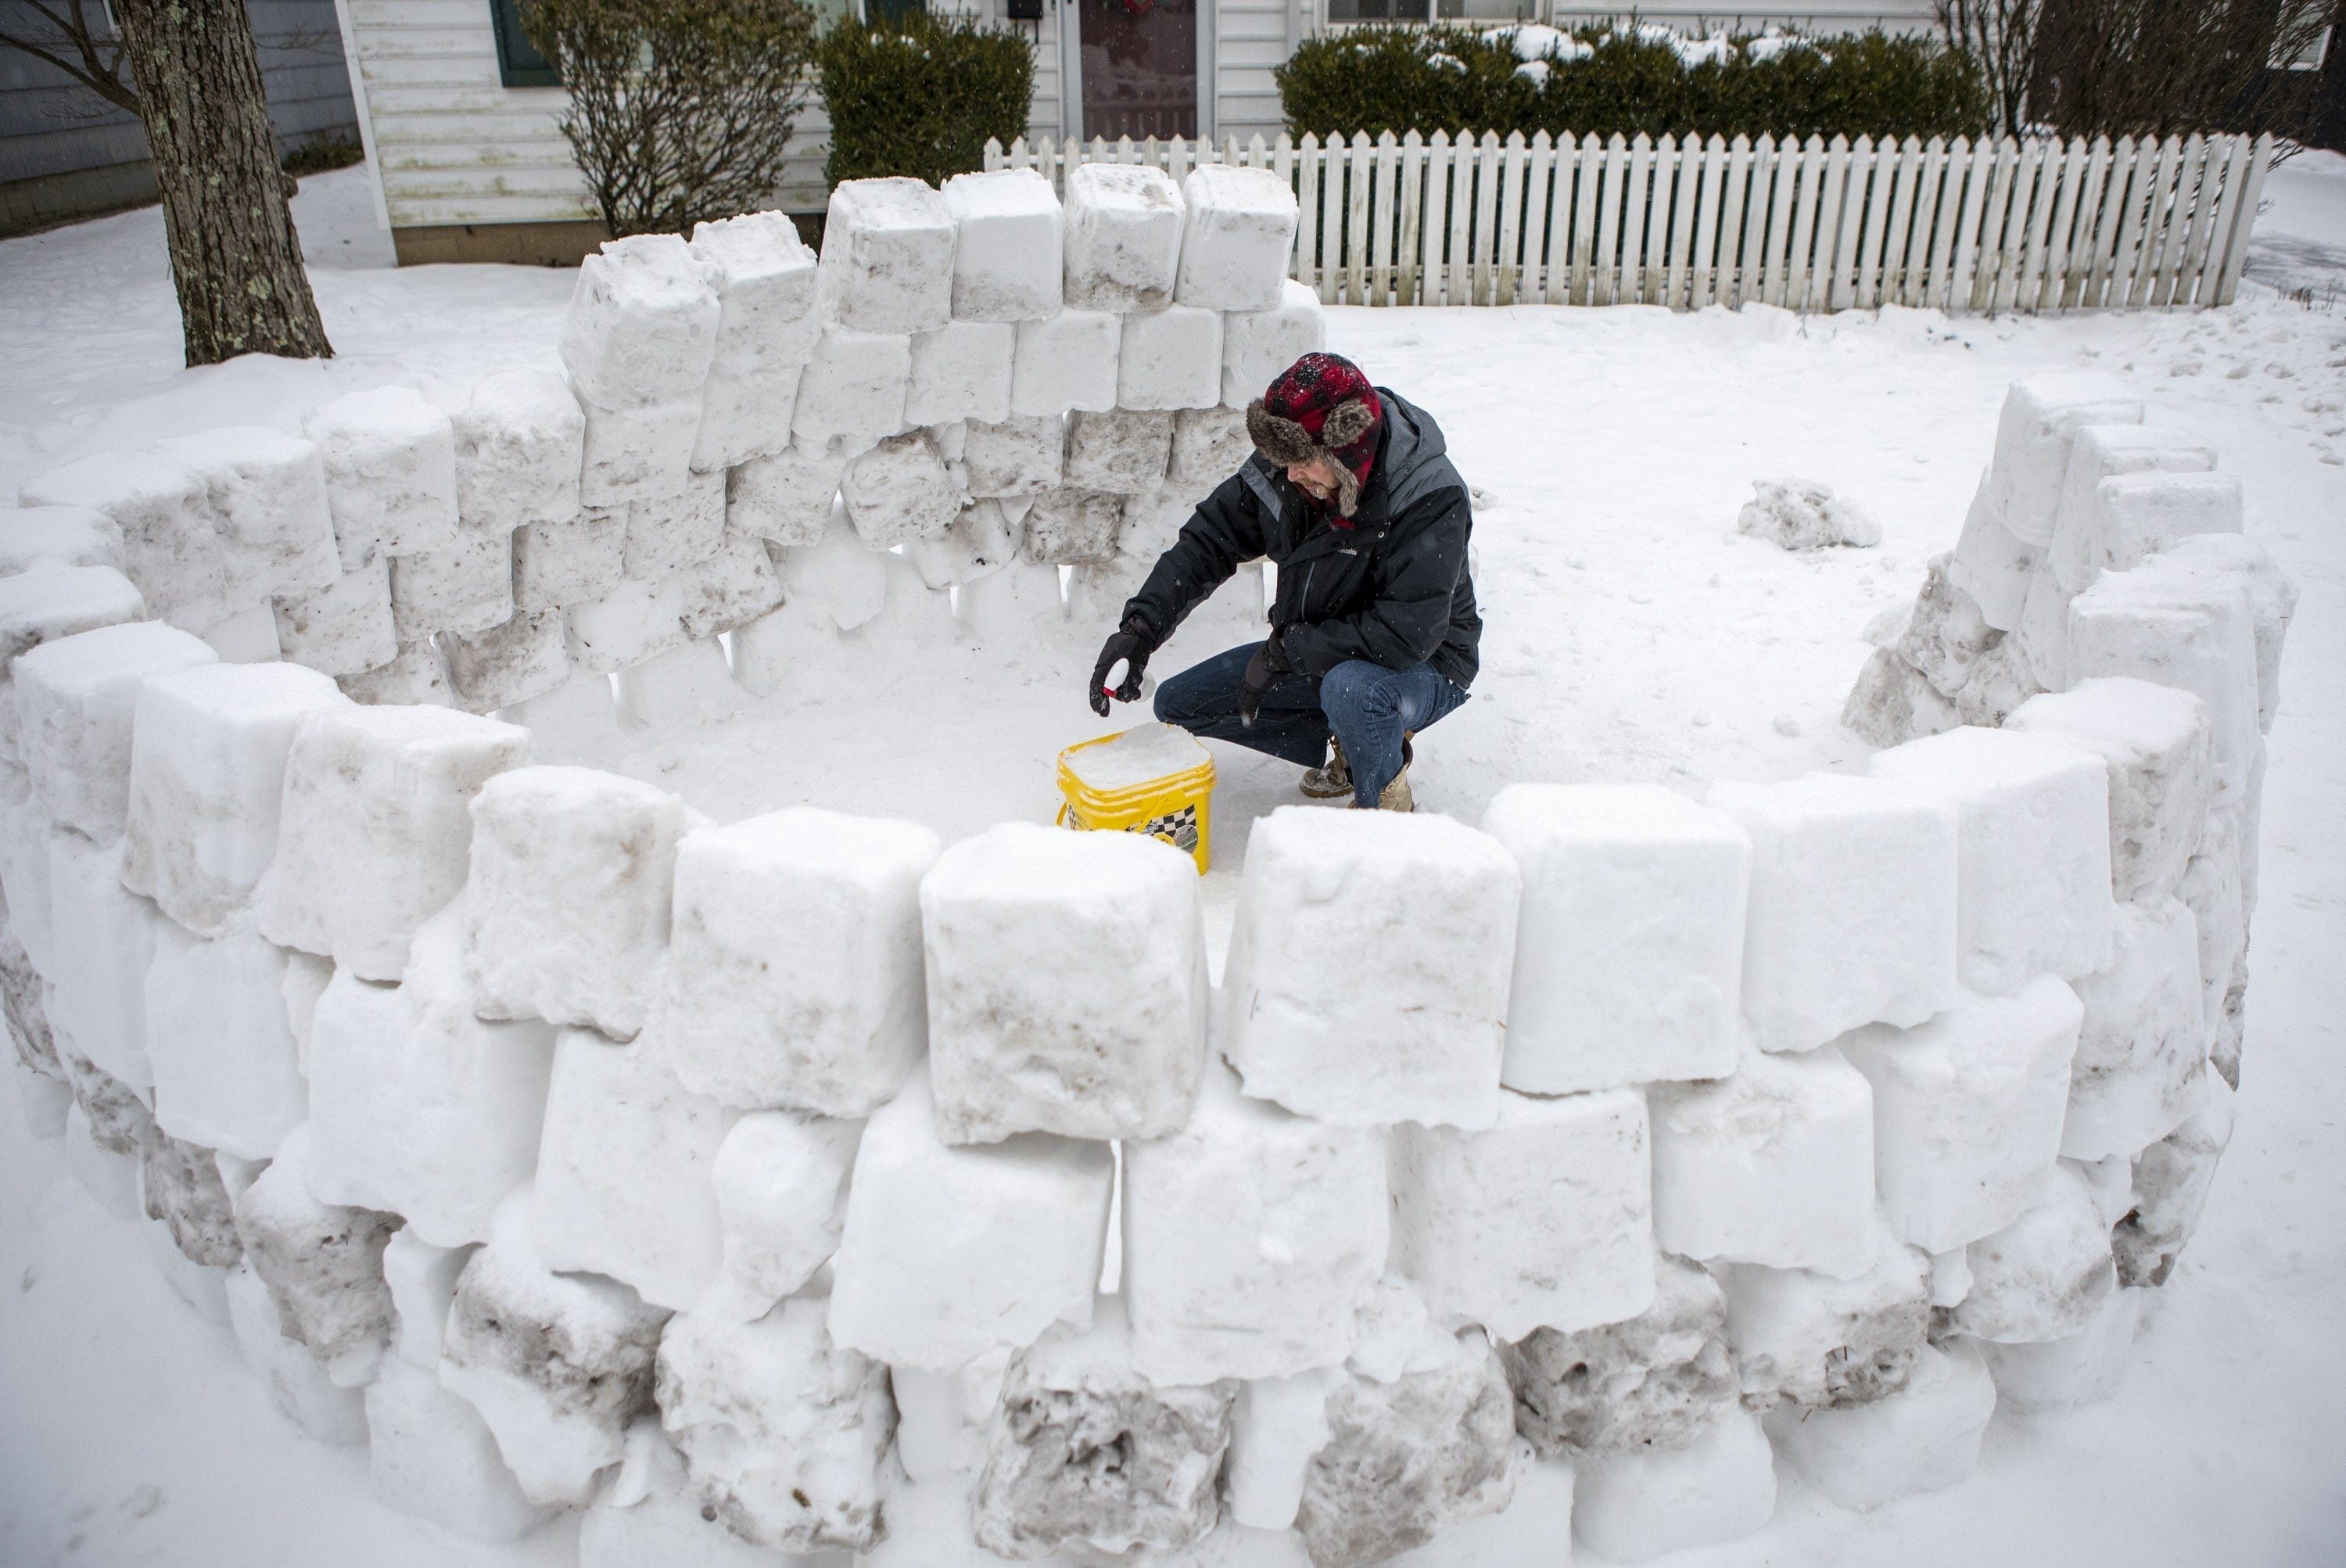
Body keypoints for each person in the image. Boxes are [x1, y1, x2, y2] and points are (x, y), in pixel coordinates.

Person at [1086, 352, 1480, 812]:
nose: (1291, 475)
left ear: (1347, 450)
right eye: (1284, 461)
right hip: (1322, 645)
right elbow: (1209, 541)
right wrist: (1140, 630)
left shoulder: (1427, 494)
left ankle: (1386, 804)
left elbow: (1407, 633)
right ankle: (1351, 738)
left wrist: (1287, 651)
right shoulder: (1290, 469)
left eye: (1304, 463)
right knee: (1180, 704)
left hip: (1427, 664)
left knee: (1353, 690)